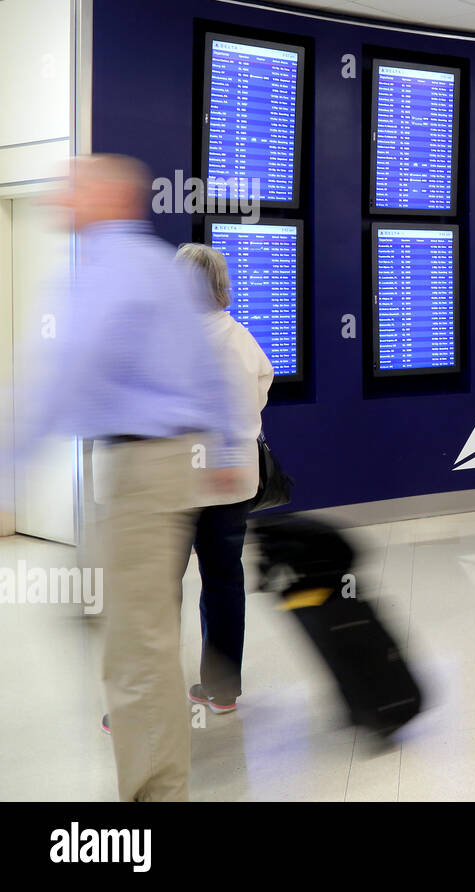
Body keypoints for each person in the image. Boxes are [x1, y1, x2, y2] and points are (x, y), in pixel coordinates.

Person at [7, 155, 239, 801]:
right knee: (141, 630)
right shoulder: (160, 267)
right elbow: (206, 367)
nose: (61, 197)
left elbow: (64, 371)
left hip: (141, 466)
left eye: (74, 186)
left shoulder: (107, 270)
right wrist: (219, 447)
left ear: (106, 197)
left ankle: (155, 798)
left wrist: (9, 472)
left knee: (137, 649)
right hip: (166, 464)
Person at [176, 243, 274, 714]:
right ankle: (222, 690)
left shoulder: (166, 340)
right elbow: (260, 393)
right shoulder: (240, 337)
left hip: (176, 488)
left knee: (158, 590)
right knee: (222, 581)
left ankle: (145, 701)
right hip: (233, 484)